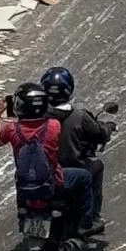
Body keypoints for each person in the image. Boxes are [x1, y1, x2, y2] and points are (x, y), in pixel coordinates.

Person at [0, 82, 93, 231]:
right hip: (54, 182)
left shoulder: (11, 129)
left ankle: (22, 212)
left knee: (18, 175)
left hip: (26, 185)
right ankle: (85, 223)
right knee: (85, 176)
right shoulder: (53, 125)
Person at [39, 67, 109, 234]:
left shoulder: (35, 116)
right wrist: (108, 128)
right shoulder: (79, 116)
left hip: (41, 173)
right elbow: (99, 134)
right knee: (97, 166)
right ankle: (91, 218)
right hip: (68, 171)